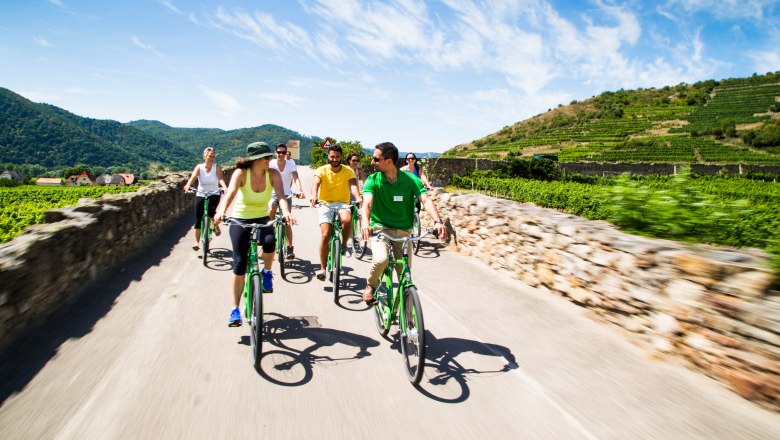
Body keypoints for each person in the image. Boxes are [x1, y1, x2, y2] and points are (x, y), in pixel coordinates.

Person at [214, 142, 296, 327]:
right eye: (267, 157)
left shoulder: (272, 174)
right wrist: (221, 211)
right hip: (240, 219)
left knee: (270, 242)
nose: (270, 160)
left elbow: (281, 196)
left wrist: (287, 212)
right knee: (239, 264)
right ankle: (235, 309)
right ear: (256, 159)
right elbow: (231, 194)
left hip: (262, 217)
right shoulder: (241, 173)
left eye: (270, 157)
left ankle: (267, 272)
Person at [360, 142, 447, 304]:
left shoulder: (411, 180)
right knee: (381, 260)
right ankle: (371, 285)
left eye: (376, 159)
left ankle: (405, 316)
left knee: (404, 276)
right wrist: (365, 223)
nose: (372, 162)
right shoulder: (372, 180)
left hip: (404, 232)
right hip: (381, 230)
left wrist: (438, 221)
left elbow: (426, 200)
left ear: (389, 161)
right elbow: (367, 204)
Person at [310, 144, 362, 280]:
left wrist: (357, 197)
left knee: (347, 219)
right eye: (332, 156)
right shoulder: (321, 170)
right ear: (328, 156)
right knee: (325, 234)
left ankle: (344, 245)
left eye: (337, 157)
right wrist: (314, 195)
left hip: (342, 203)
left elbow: (353, 185)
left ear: (341, 157)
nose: (334, 159)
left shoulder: (348, 171)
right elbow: (315, 183)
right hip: (325, 204)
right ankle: (322, 268)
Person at [183, 146, 228, 250]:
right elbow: (193, 177)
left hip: (214, 193)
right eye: (209, 156)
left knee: (211, 213)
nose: (211, 158)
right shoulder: (199, 167)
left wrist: (224, 187)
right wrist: (188, 185)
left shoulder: (216, 167)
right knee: (198, 218)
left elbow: (220, 178)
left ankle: (215, 225)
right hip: (201, 193)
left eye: (213, 156)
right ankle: (196, 242)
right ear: (205, 156)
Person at [269, 143, 305, 259]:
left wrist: (300, 190)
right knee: (272, 207)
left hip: (286, 195)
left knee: (287, 221)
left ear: (286, 154)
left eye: (283, 152)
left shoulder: (290, 164)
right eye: (279, 152)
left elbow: (296, 177)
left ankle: (290, 248)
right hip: (273, 193)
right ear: (275, 153)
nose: (281, 154)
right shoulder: (271, 164)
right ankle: (270, 228)